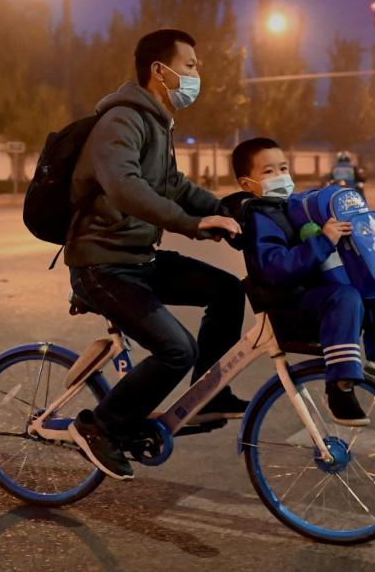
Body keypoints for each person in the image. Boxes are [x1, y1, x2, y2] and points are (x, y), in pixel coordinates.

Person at [66, 28, 247, 481]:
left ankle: (209, 397)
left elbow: (174, 187)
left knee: (226, 291)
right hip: (102, 264)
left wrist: (222, 210)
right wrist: (190, 224)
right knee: (175, 349)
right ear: (159, 71)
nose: (196, 74)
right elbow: (125, 188)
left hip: (138, 260)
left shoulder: (159, 123)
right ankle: (101, 427)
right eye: (189, 66)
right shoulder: (122, 121)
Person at [230, 136, 375, 427]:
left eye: (283, 168)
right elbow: (277, 270)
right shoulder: (259, 217)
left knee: (371, 278)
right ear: (247, 184)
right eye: (268, 172)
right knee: (346, 296)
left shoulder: (291, 207)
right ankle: (340, 387)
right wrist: (324, 240)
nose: (280, 176)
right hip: (288, 301)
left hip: (309, 291)